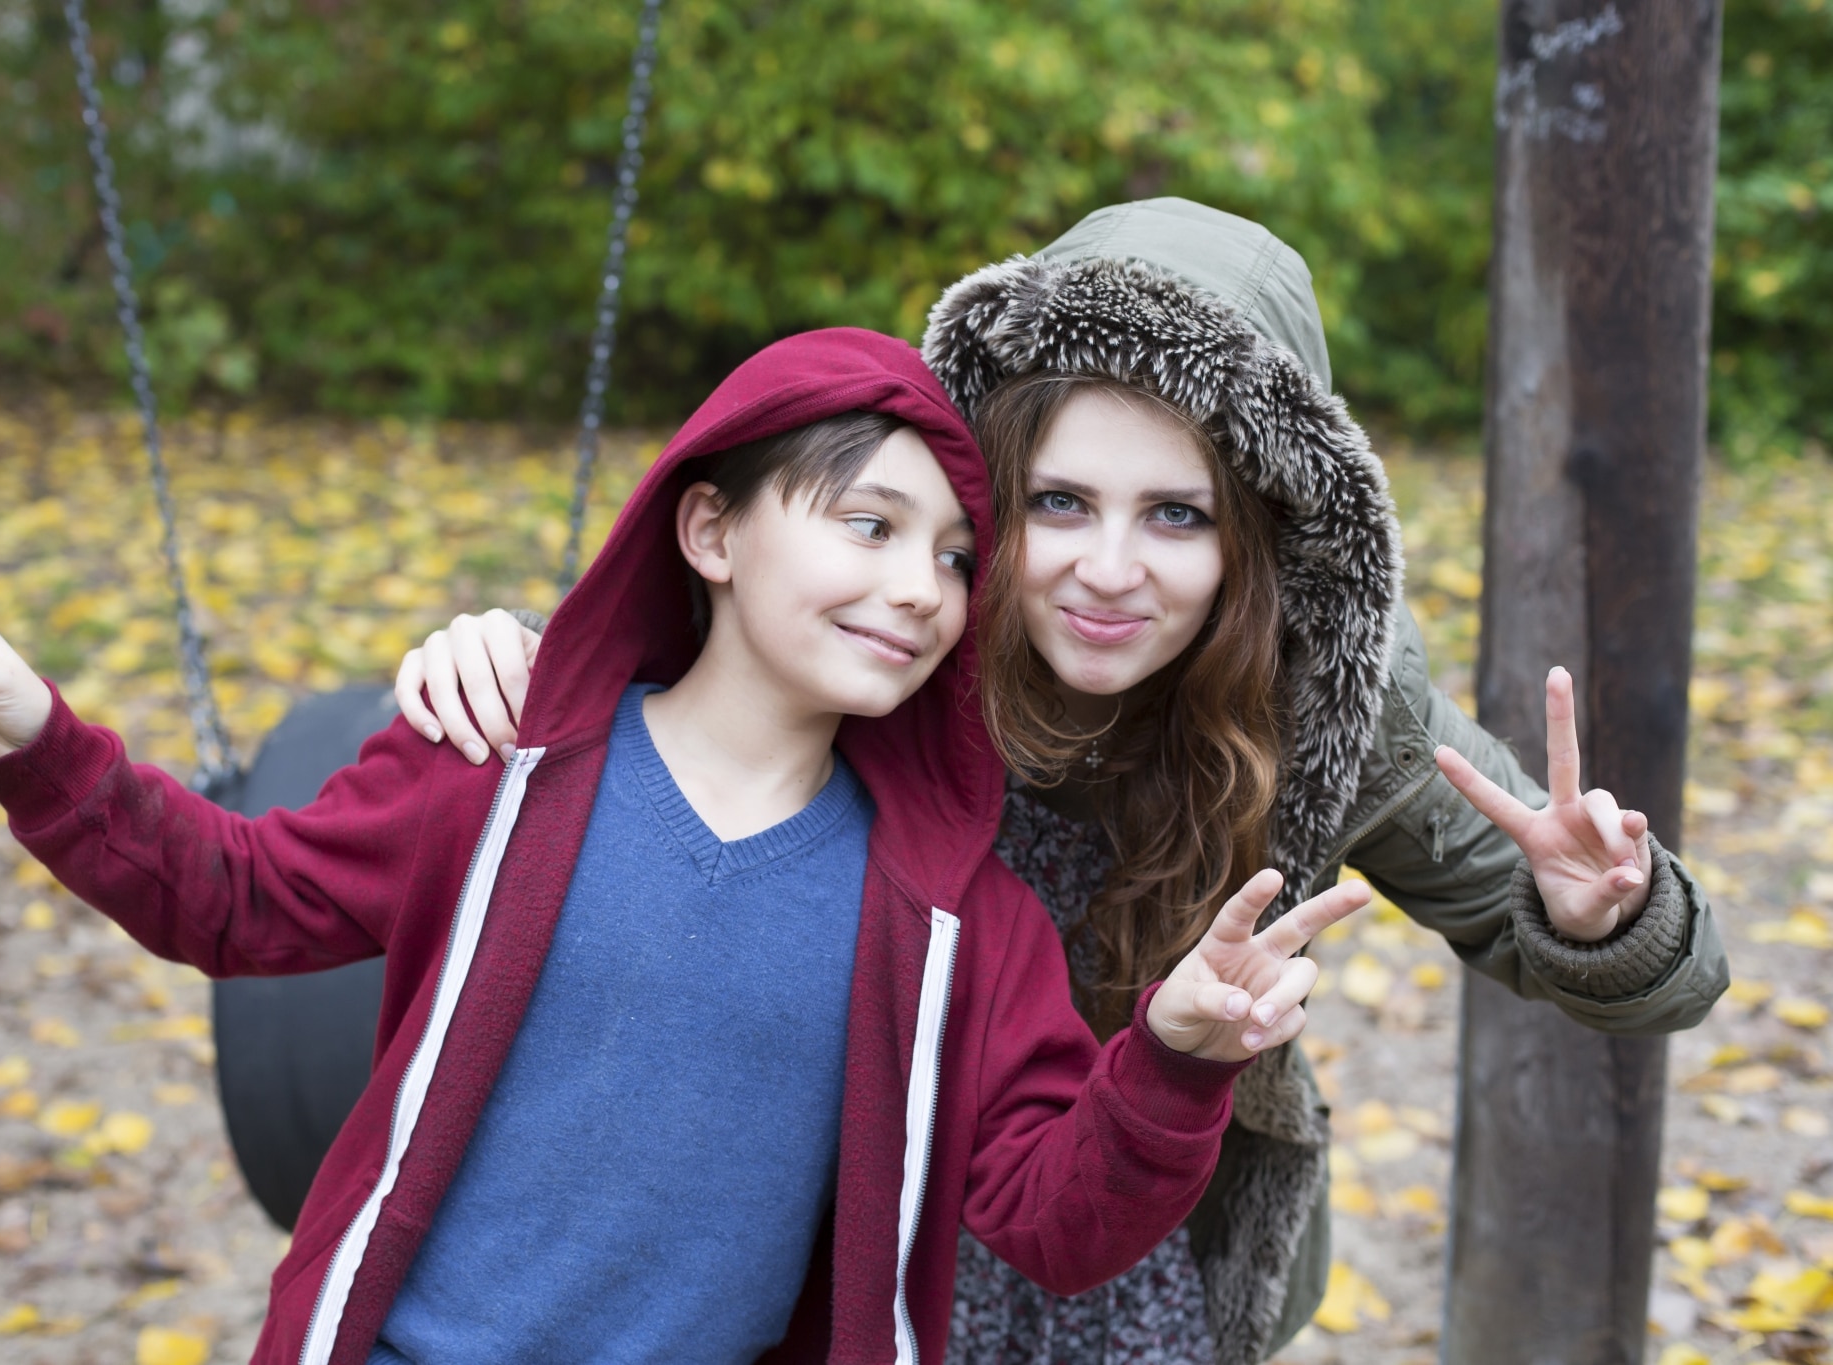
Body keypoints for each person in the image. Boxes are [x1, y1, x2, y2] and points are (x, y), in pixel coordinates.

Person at [0, 328, 1373, 1365]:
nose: (921, 587)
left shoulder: (950, 912)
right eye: (867, 524)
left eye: (958, 556)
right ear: (709, 531)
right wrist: (31, 737)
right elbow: (236, 898)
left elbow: (1053, 1216)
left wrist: (1171, 1060)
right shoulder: (498, 769)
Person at [392, 202, 1730, 1365]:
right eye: (1062, 503)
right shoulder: (887, 630)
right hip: (841, 1207)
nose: (1107, 569)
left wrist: (1604, 913)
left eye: (1177, 515)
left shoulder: (1322, 706)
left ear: (1256, 538)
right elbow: (671, 676)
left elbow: (1657, 964)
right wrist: (514, 658)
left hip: (1134, 1242)